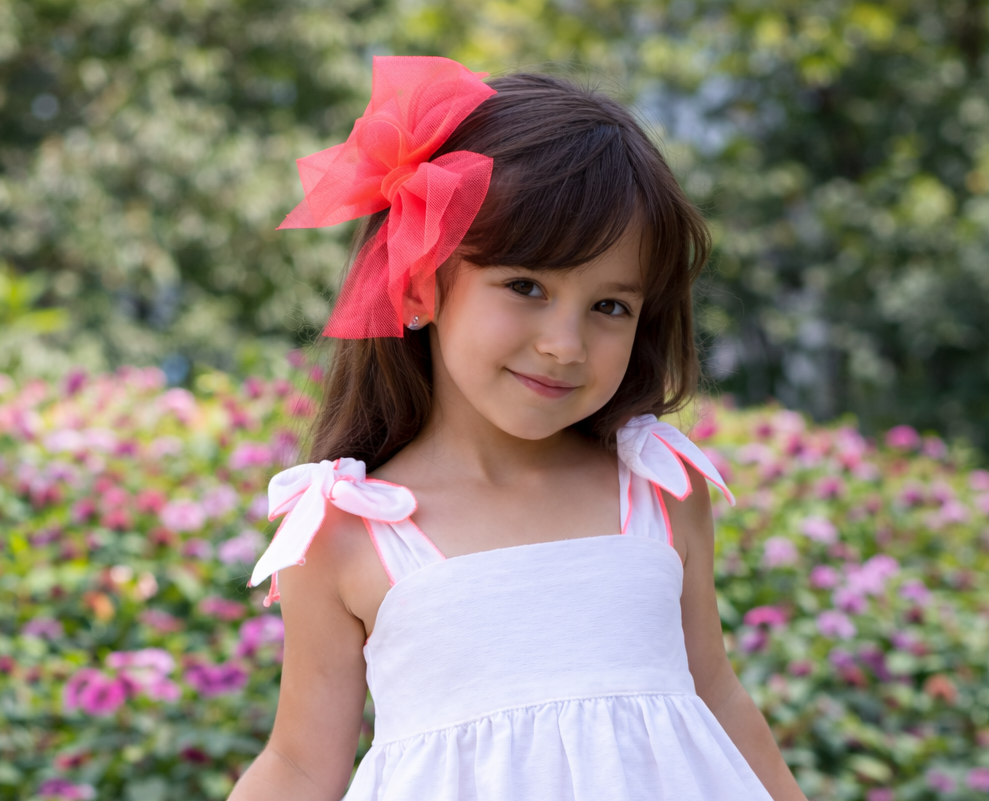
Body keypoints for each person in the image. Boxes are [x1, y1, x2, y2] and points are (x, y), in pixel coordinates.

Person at [228, 56, 807, 801]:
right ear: (420, 281)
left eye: (610, 306)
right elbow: (301, 764)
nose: (565, 344)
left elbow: (716, 694)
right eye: (526, 286)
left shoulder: (661, 490)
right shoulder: (345, 532)